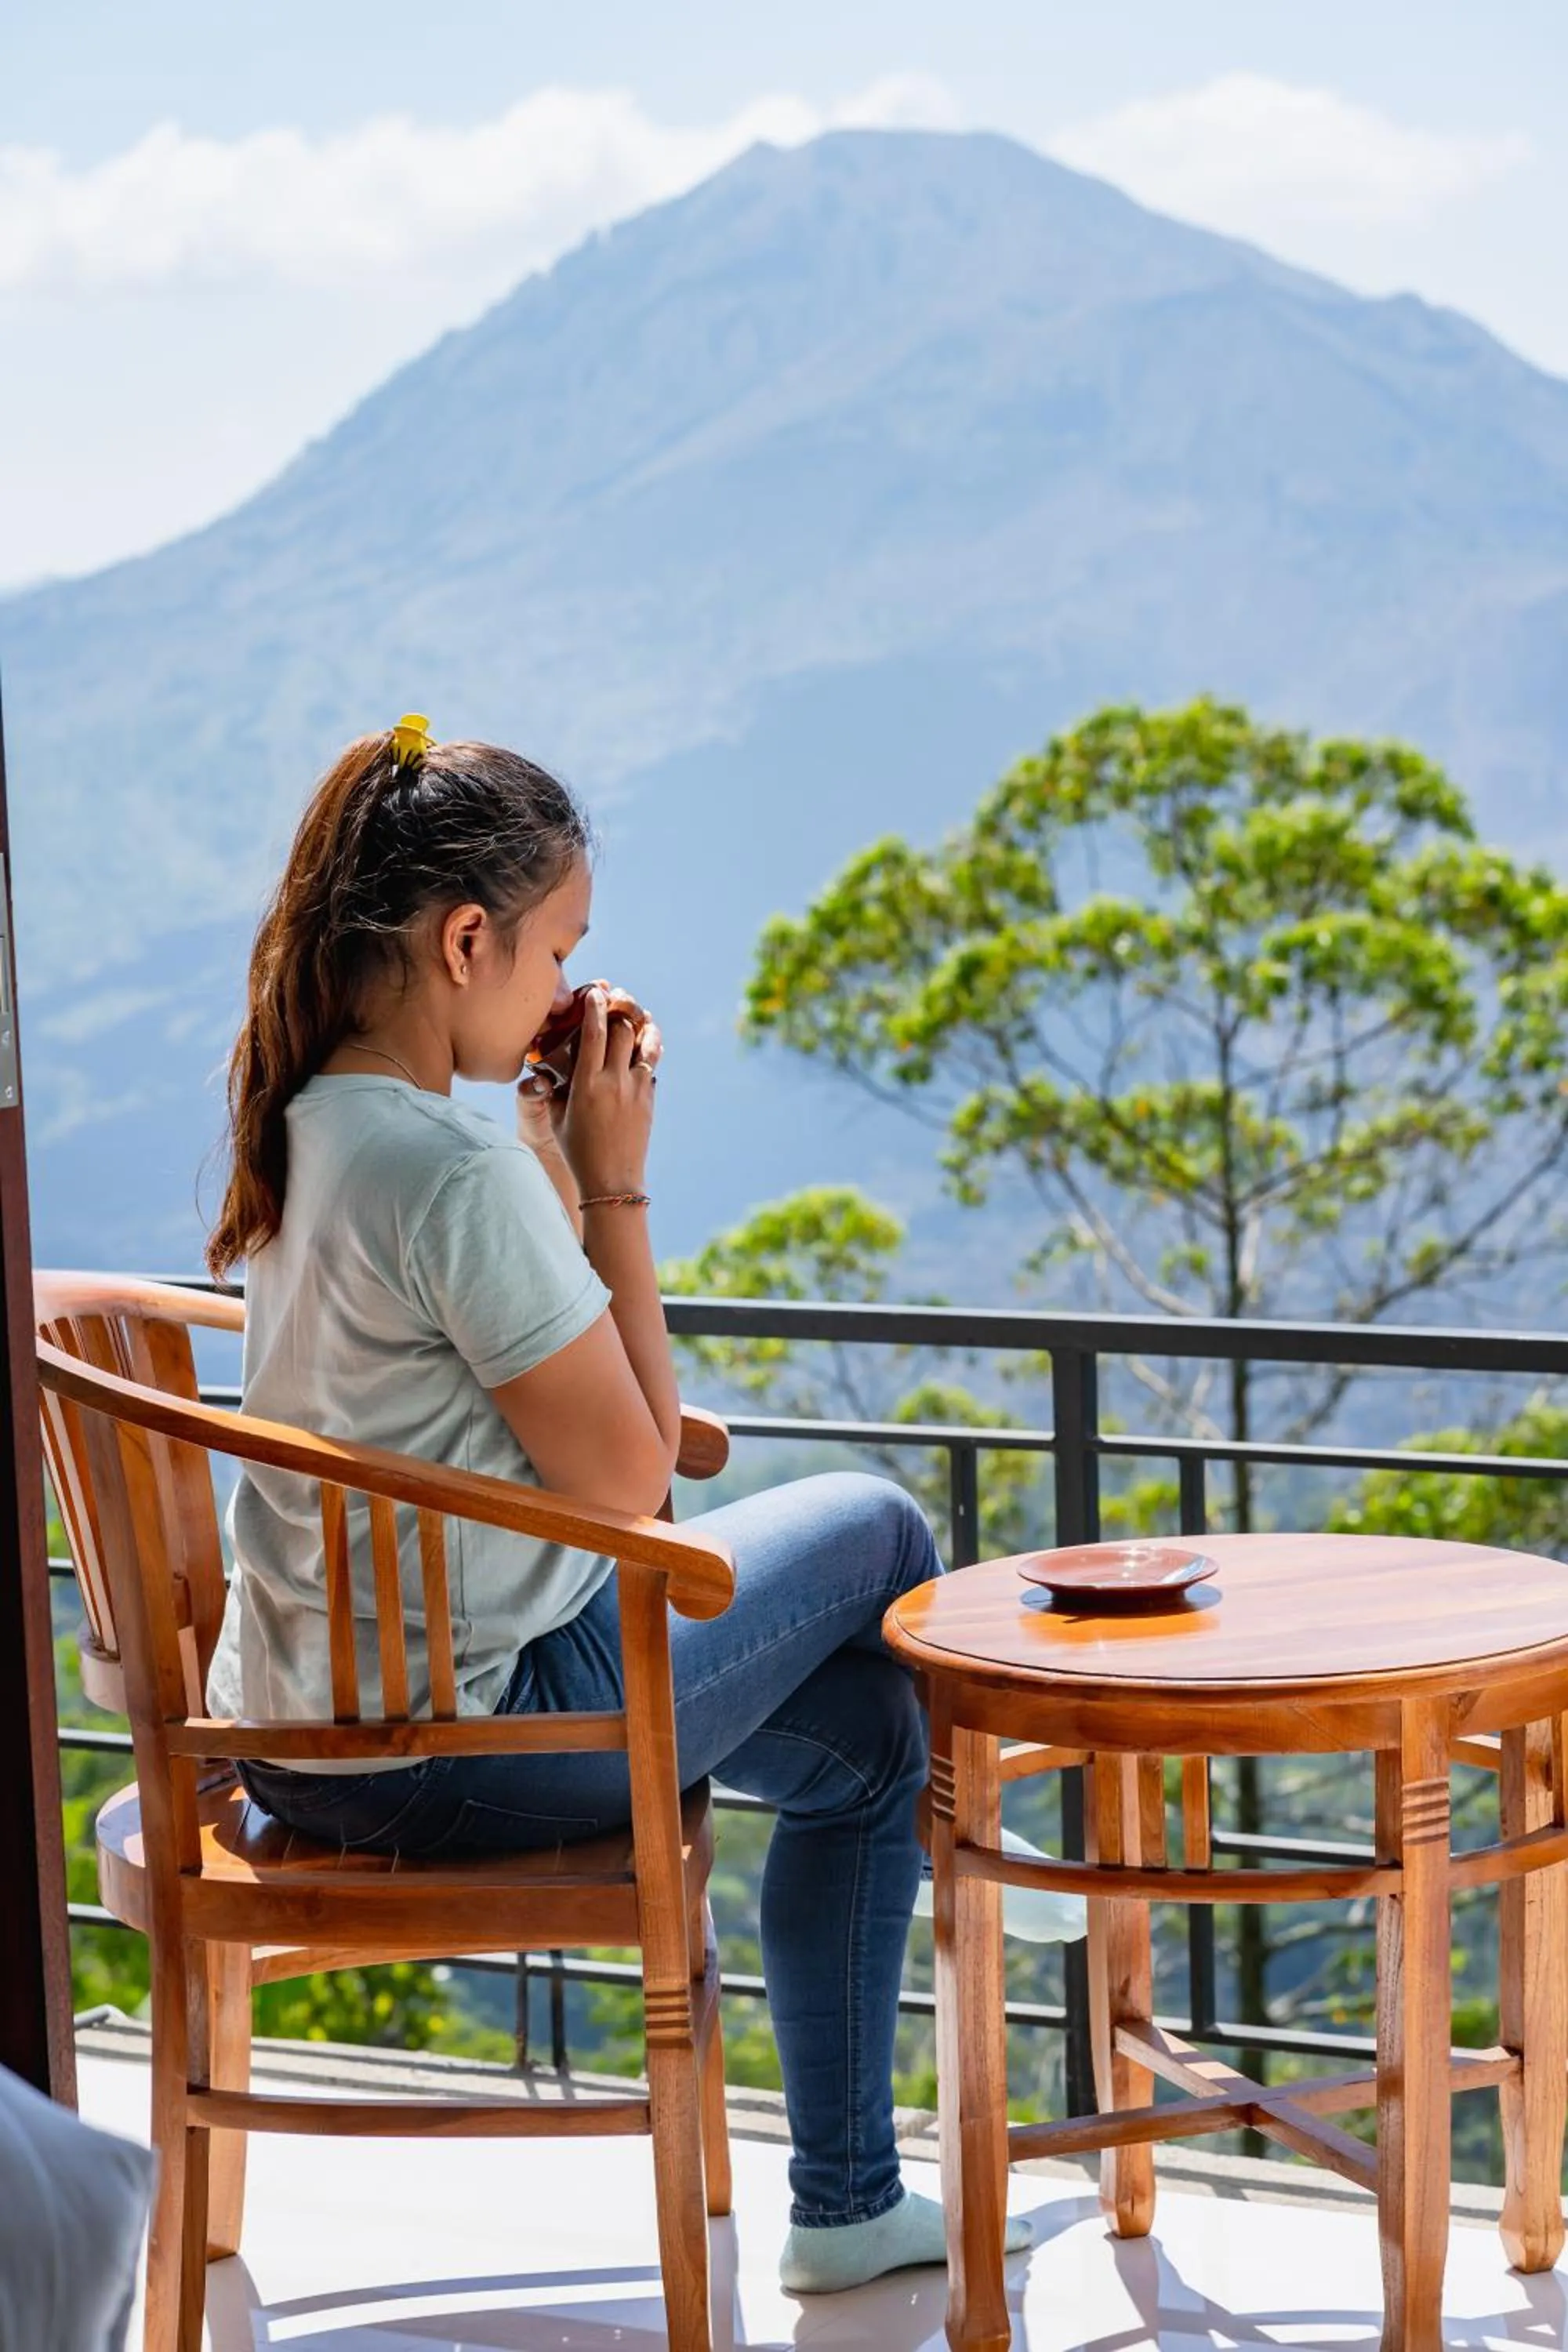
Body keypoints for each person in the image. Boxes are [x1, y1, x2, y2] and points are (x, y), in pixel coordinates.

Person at [205, 718, 1080, 2296]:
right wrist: (613, 1179)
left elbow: (629, 1436)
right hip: (455, 1741)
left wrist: (545, 1143)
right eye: (553, 954)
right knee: (880, 1522)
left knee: (873, 1738)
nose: (557, 994)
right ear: (465, 940)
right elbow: (632, 1479)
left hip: (298, 1727)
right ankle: (989, 1845)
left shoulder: (316, 1128)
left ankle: (851, 2203)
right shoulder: (442, 1173)